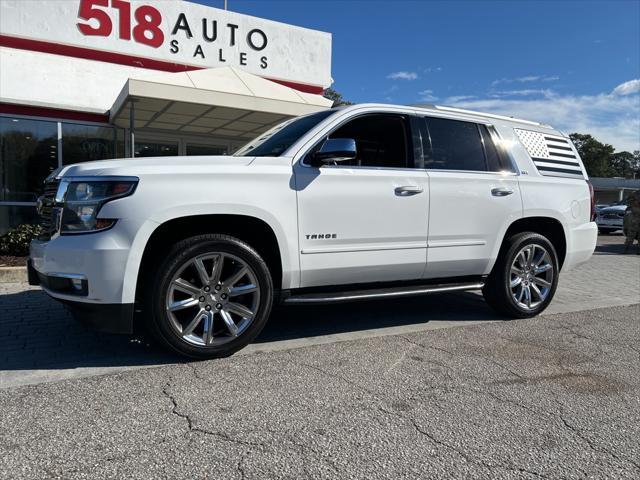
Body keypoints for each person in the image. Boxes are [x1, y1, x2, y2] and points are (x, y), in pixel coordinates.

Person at [623, 190, 640, 254]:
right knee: (631, 234)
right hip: (635, 218)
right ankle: (625, 249)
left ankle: (638, 251)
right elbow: (628, 201)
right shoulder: (635, 193)